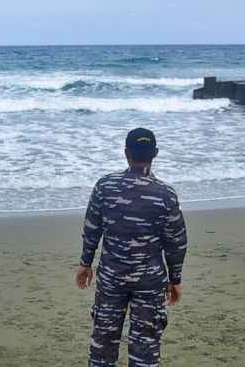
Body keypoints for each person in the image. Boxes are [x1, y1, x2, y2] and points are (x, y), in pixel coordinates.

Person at [76, 127, 187, 367]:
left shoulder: (105, 186)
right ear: (155, 153)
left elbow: (91, 228)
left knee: (103, 341)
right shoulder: (166, 193)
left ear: (126, 152)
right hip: (150, 280)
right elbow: (176, 241)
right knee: (145, 344)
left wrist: (86, 263)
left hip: (111, 277)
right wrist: (175, 279)